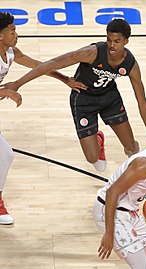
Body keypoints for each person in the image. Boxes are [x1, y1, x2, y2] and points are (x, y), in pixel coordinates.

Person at [1, 18, 146, 173]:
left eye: (117, 41)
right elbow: (51, 63)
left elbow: (142, 102)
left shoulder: (130, 64)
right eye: (109, 40)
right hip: (83, 99)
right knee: (93, 159)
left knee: (131, 147)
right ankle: (98, 141)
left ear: (126, 41)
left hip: (109, 98)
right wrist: (19, 84)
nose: (112, 46)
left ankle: (139, 176)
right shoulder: (91, 53)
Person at [0, 11, 86, 225]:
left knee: (5, 155)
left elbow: (40, 66)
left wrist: (65, 79)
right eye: (12, 31)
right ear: (0, 36)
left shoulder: (11, 52)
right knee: (5, 155)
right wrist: (7, 92)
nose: (16, 34)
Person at [93, 119, 146, 269]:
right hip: (111, 210)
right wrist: (109, 232)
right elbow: (112, 192)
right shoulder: (144, 163)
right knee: (142, 266)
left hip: (129, 212)